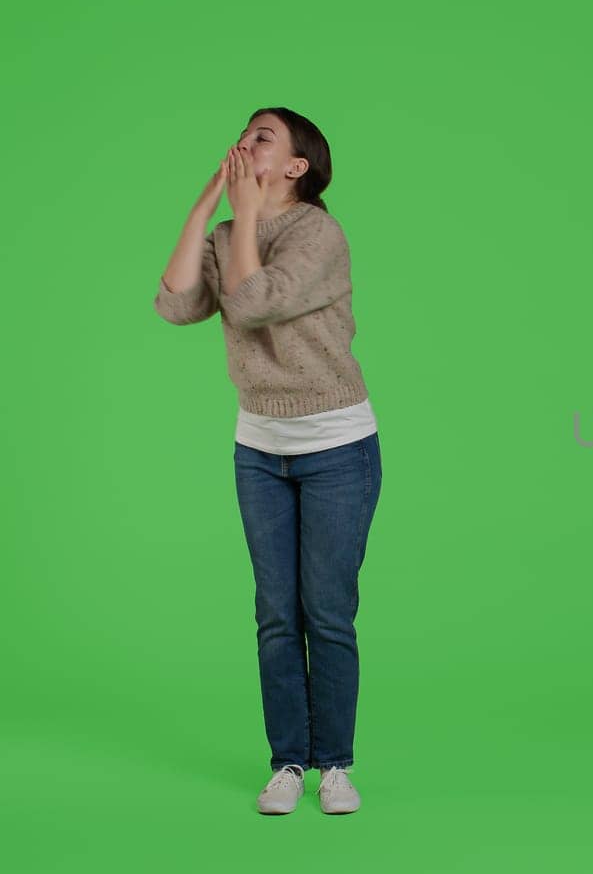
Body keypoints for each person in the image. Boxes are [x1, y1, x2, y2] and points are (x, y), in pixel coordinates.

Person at [153, 107, 382, 815]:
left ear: (296, 166)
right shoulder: (229, 232)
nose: (245, 142)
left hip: (337, 446)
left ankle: (334, 764)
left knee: (328, 613)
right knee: (277, 614)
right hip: (259, 449)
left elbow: (253, 304)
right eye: (245, 132)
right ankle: (286, 762)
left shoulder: (319, 232)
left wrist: (244, 216)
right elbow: (175, 303)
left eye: (264, 137)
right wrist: (204, 206)